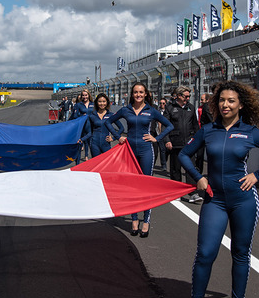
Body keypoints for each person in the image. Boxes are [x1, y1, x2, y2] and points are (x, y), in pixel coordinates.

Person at [178, 80, 259, 298]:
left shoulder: (250, 132)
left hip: (243, 200)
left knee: (240, 253)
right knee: (205, 253)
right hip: (214, 200)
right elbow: (184, 154)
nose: (225, 104)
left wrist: (258, 175)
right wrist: (198, 177)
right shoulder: (208, 130)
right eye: (221, 100)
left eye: (231, 101)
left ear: (241, 104)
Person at [107, 83, 173, 237]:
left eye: (141, 92)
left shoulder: (151, 111)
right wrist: (118, 137)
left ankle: (146, 220)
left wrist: (157, 138)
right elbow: (108, 122)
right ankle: (134, 219)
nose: (138, 95)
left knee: (146, 185)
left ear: (145, 94)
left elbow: (169, 126)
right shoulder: (126, 110)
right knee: (131, 185)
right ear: (132, 94)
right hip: (129, 150)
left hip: (146, 150)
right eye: (136, 92)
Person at [164, 86, 201, 203]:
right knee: (175, 169)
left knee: (191, 168)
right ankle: (177, 193)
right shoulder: (170, 108)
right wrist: (167, 140)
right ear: (179, 96)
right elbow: (165, 126)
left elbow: (195, 126)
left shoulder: (191, 107)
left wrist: (197, 140)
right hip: (175, 143)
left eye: (189, 96)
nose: (188, 98)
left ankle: (193, 193)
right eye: (186, 96)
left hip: (189, 143)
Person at [79, 93, 122, 157]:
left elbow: (121, 128)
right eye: (100, 101)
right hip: (94, 144)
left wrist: (113, 138)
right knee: (96, 165)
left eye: (104, 101)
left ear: (107, 102)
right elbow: (90, 132)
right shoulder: (92, 115)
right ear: (96, 103)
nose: (102, 104)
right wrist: (81, 139)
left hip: (106, 145)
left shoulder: (111, 115)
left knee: (107, 165)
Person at [70, 90, 93, 161]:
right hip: (82, 127)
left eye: (86, 95)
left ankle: (89, 159)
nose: (85, 97)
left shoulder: (93, 104)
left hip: (91, 127)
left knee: (92, 145)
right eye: (83, 95)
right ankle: (78, 163)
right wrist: (81, 115)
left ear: (89, 95)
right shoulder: (78, 105)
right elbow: (75, 116)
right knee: (81, 144)